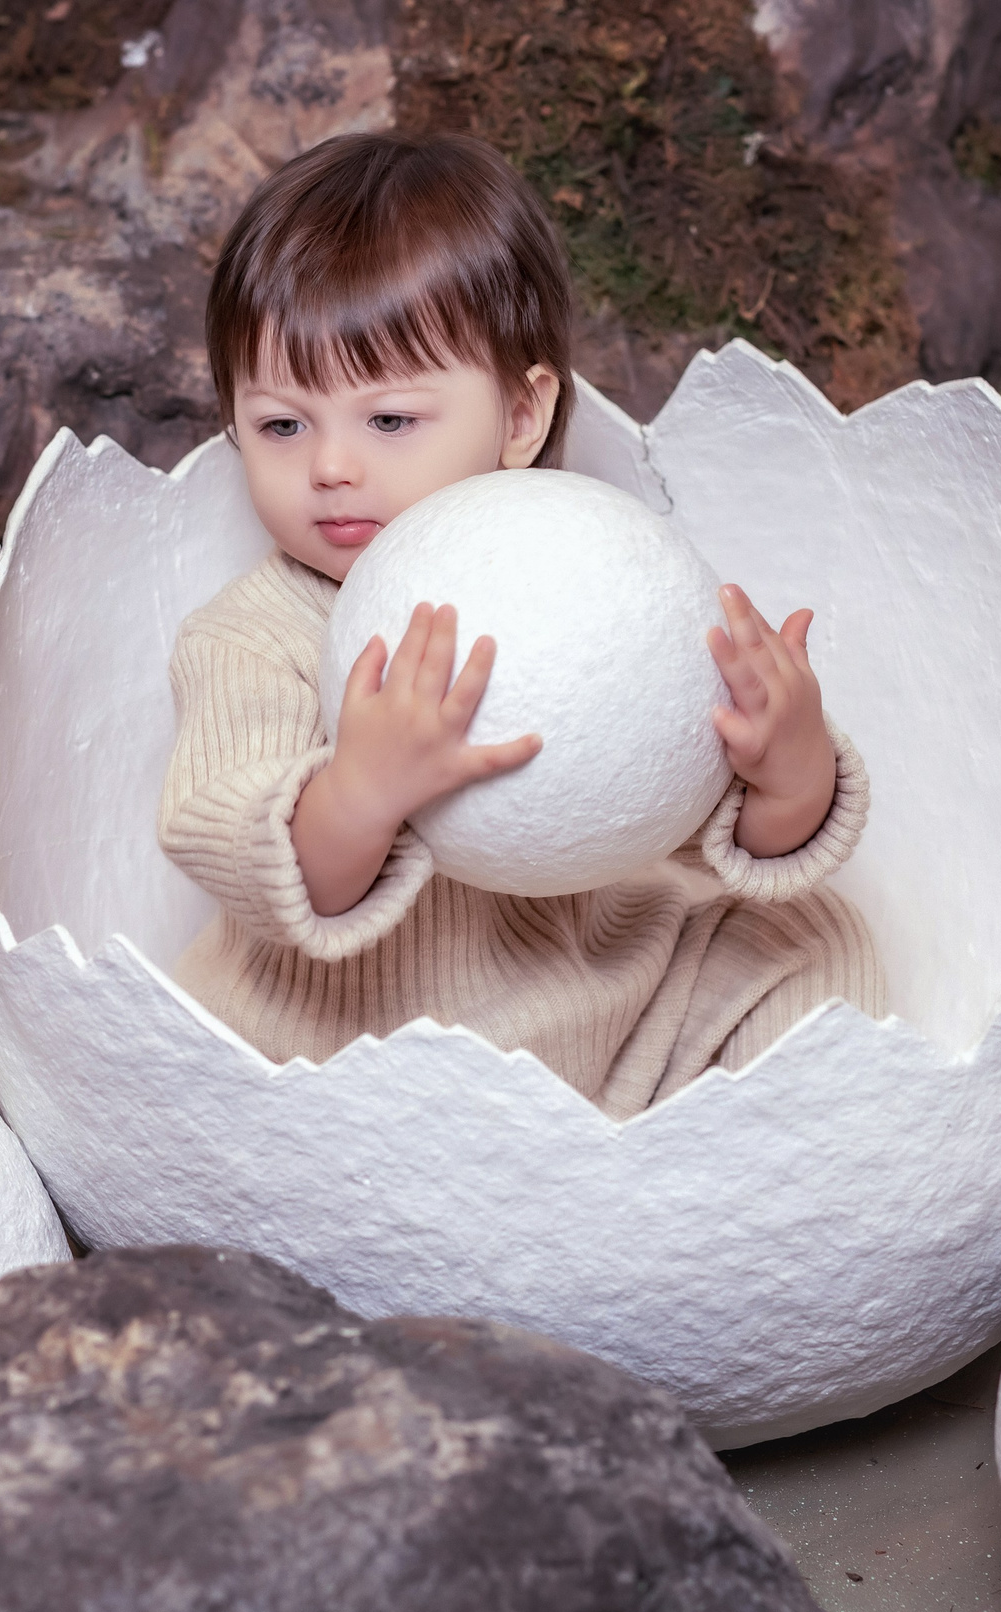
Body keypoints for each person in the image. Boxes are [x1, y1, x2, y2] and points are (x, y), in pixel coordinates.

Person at [158, 130, 884, 1119]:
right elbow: (255, 862)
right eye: (282, 425)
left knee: (812, 939)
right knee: (280, 1098)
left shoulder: (589, 572)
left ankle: (758, 1160)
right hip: (361, 1050)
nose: (328, 467)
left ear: (517, 416)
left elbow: (692, 813)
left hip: (613, 1002)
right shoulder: (252, 634)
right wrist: (359, 793)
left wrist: (786, 767)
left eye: (388, 421)